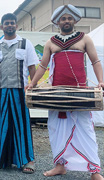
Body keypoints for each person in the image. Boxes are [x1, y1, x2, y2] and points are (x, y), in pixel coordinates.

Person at [25, 4, 104, 180]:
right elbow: (43, 66)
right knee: (57, 130)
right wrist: (33, 83)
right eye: (63, 18)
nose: (66, 21)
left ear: (74, 20)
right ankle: (60, 165)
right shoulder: (51, 42)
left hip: (80, 92)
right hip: (56, 93)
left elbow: (95, 61)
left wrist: (100, 81)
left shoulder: (85, 39)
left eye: (69, 18)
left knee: (86, 131)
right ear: (57, 22)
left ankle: (94, 171)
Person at [0, 13, 39, 173]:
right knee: (2, 124)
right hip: (2, 91)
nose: (9, 25)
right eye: (6, 23)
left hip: (21, 91)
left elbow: (32, 67)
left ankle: (28, 160)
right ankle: (2, 159)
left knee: (22, 124)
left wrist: (33, 89)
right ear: (1, 26)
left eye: (12, 23)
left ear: (16, 26)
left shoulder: (25, 43)